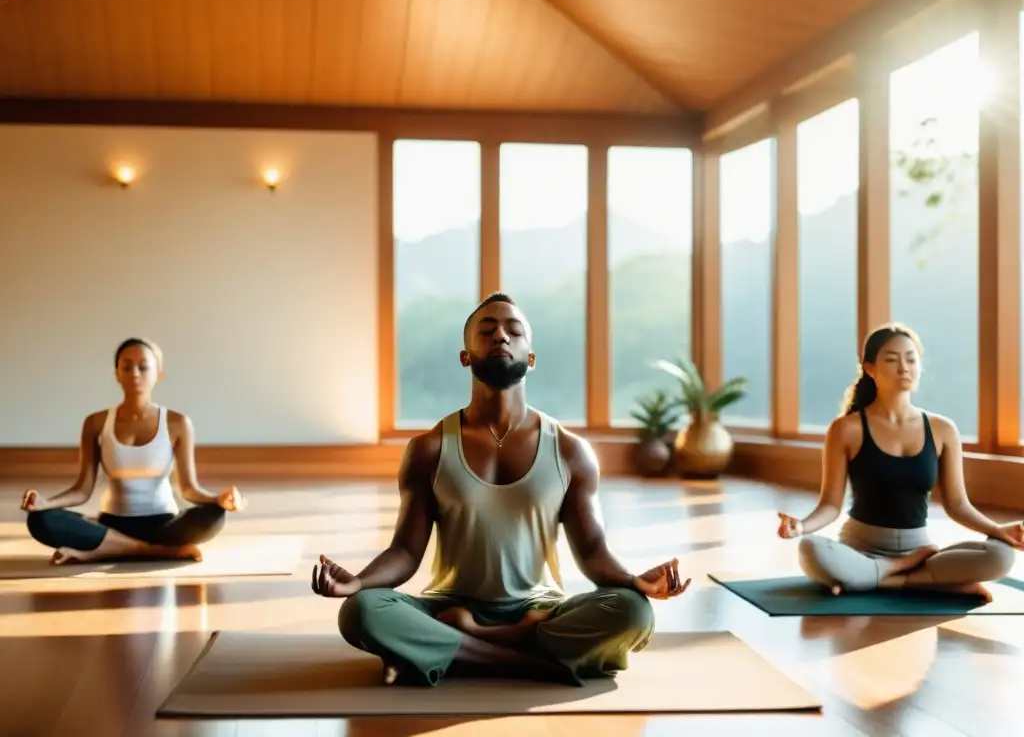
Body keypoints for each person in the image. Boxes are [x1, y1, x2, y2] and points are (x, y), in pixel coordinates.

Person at [311, 292, 689, 687]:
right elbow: (405, 551)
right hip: (449, 606)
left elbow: (592, 550)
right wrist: (357, 583)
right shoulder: (428, 449)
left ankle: (464, 647)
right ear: (465, 356)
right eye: (486, 330)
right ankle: (527, 660)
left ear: (531, 357)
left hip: (538, 610)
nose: (501, 337)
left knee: (633, 612)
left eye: (514, 330)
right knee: (362, 611)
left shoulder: (570, 451)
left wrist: (634, 582)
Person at [777, 323, 1021, 601]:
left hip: (921, 553)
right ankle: (909, 576)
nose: (904, 367)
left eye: (911, 358)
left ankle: (876, 579)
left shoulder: (943, 429)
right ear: (870, 368)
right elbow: (831, 505)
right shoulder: (846, 429)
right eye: (892, 360)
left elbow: (957, 504)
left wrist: (997, 530)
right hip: (860, 550)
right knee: (810, 548)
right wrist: (801, 526)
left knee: (1000, 555)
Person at [19, 337, 246, 565]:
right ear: (117, 374)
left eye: (143, 367)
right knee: (40, 520)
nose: (135, 373)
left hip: (164, 525)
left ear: (158, 373)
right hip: (112, 524)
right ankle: (152, 551)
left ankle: (107, 551)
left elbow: (189, 489)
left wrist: (218, 499)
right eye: (127, 367)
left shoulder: (178, 423)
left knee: (213, 516)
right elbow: (82, 490)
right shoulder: (96, 423)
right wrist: (44, 504)